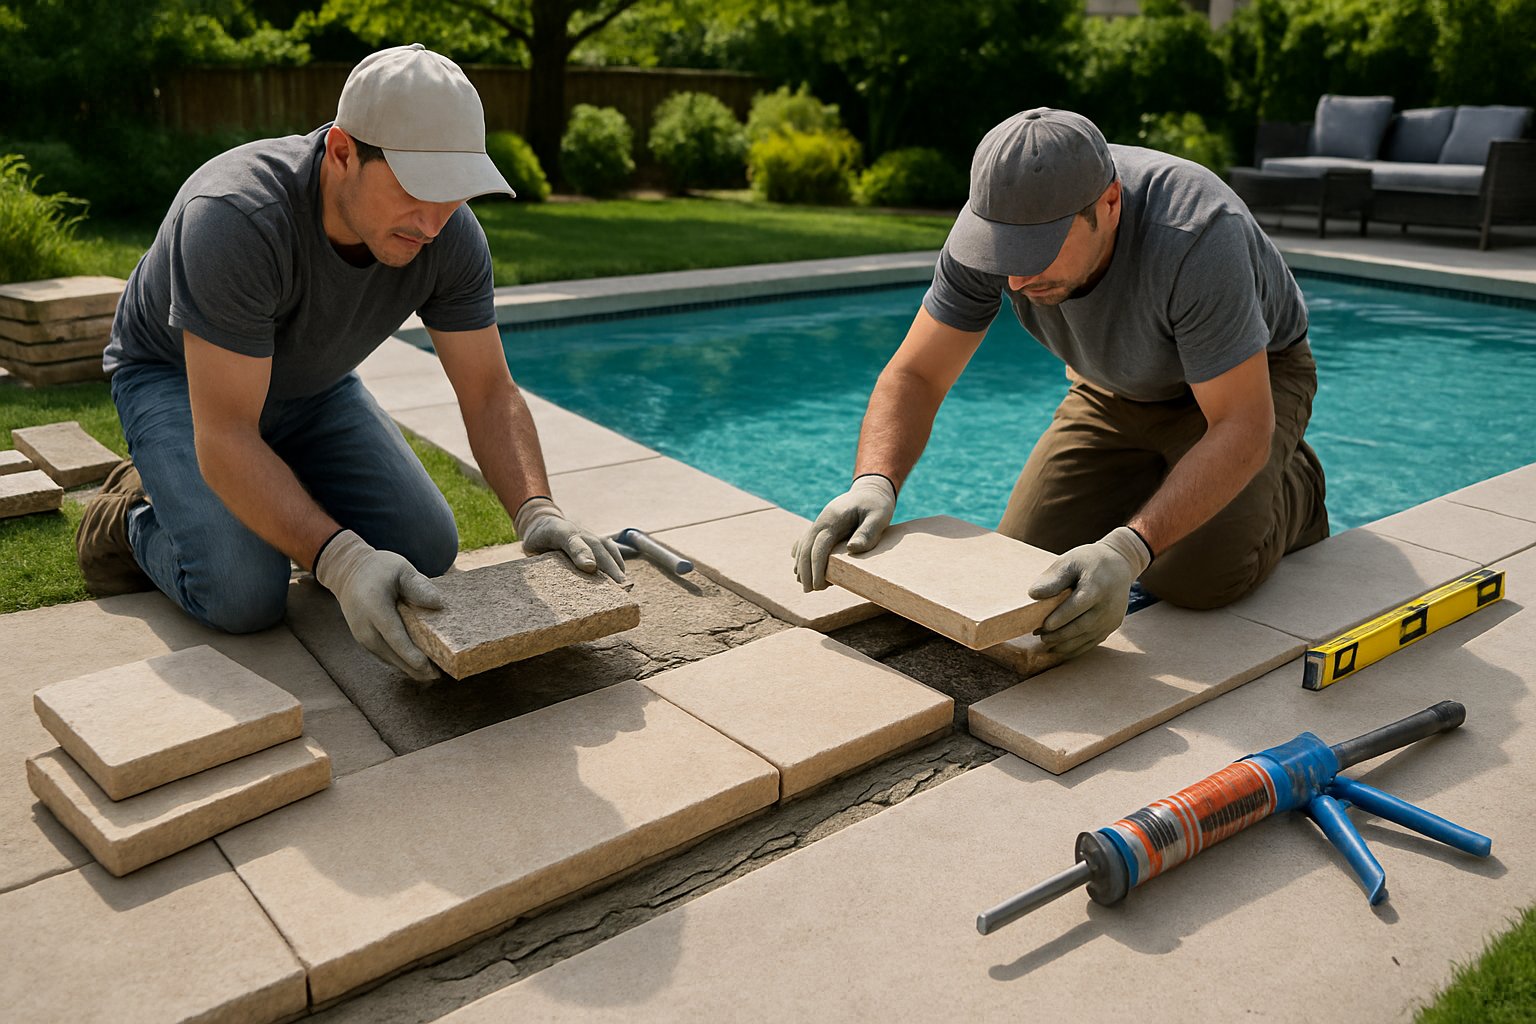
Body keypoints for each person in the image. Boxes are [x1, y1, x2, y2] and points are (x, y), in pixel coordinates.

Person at [79, 44, 623, 682]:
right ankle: (130, 511)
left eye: (453, 192)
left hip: (312, 384)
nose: (433, 222)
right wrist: (342, 561)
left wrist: (537, 510)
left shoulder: (449, 235)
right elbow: (225, 432)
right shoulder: (236, 217)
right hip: (179, 380)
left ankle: (262, 488)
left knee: (425, 548)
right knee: (242, 594)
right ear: (342, 152)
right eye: (417, 188)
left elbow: (488, 391)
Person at [794, 108, 1328, 660]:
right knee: (1027, 564)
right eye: (1004, 251)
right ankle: (1171, 475)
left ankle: (1295, 483)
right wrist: (874, 483)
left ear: (1110, 204)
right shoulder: (991, 229)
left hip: (1247, 383)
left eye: (1038, 249)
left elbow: (1240, 423)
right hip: (1109, 387)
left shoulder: (1198, 234)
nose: (1015, 278)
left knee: (1195, 579)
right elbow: (917, 373)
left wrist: (1128, 549)